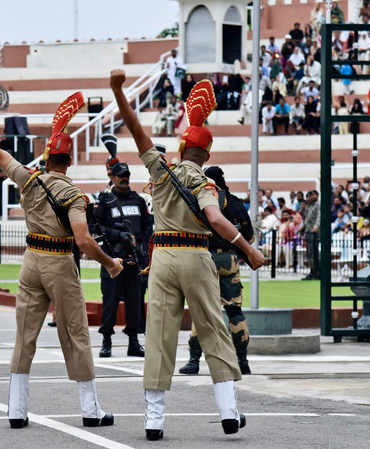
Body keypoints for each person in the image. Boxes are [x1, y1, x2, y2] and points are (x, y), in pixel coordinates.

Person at [110, 69, 265, 440]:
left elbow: (135, 129)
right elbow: (215, 218)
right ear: (207, 154)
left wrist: (117, 91)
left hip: (162, 255)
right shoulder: (204, 181)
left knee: (160, 334)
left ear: (180, 149)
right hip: (196, 256)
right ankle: (229, 414)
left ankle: (154, 420)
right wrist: (249, 251)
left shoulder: (161, 171)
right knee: (214, 328)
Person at [0, 85, 123, 429]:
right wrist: (110, 263)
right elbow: (83, 241)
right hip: (58, 263)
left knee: (25, 336)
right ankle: (90, 410)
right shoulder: (72, 193)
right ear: (69, 160)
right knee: (76, 334)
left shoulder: (29, 179)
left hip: (30, 261)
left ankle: (16, 410)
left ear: (47, 157)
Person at [179, 166, 254, 376]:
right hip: (230, 258)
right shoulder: (235, 203)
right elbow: (249, 235)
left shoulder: (201, 200)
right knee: (235, 311)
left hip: (205, 257)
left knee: (201, 311)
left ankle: (194, 361)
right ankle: (242, 361)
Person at [92, 161, 152, 358]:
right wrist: (118, 235)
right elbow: (96, 227)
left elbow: (146, 228)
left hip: (134, 261)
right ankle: (106, 341)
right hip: (112, 261)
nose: (124, 178)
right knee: (110, 302)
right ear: (112, 178)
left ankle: (133, 341)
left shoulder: (138, 201)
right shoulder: (105, 201)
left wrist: (142, 250)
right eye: (120, 175)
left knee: (135, 303)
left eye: (126, 175)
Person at [301, 190, 320, 280]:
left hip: (314, 231)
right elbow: (306, 219)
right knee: (310, 252)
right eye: (308, 196)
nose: (310, 197)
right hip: (308, 231)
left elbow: (319, 216)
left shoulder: (318, 204)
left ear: (317, 195)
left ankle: (317, 271)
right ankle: (313, 270)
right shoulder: (309, 206)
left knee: (314, 252)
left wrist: (316, 226)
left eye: (312, 195)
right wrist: (302, 227)